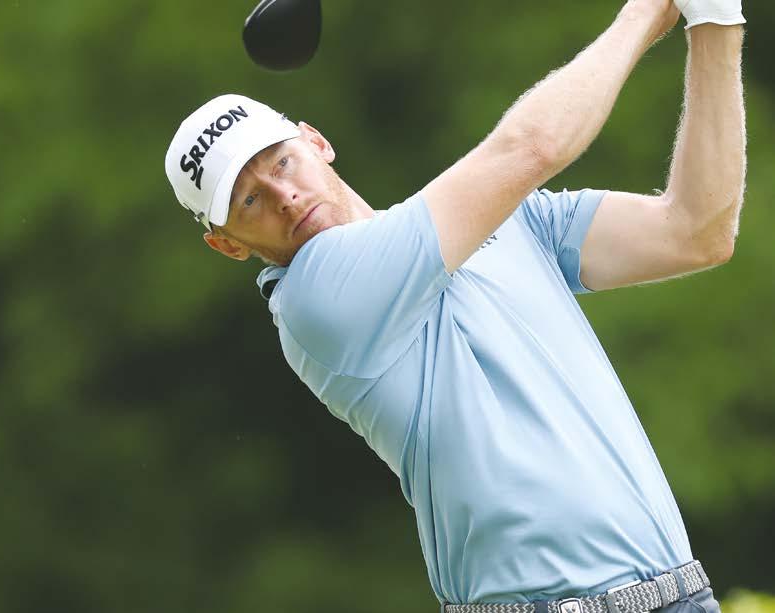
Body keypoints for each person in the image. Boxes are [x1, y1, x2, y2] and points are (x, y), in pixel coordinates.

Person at [164, 0, 746, 611]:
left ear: (317, 142)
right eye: (248, 201)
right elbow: (531, 148)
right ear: (228, 245)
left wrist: (715, 22)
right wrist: (647, 13)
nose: (283, 195)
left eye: (283, 162)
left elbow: (696, 231)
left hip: (680, 592)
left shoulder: (502, 219)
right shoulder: (316, 299)